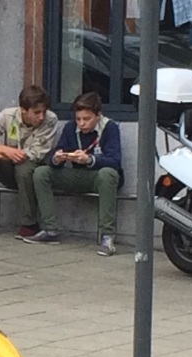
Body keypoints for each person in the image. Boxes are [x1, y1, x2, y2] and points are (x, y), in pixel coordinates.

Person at [25, 92, 124, 256]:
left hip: (98, 177)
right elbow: (58, 151)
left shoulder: (109, 127)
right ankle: (50, 229)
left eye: (87, 119)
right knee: (41, 172)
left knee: (108, 174)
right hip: (76, 174)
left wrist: (90, 159)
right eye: (78, 119)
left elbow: (114, 161)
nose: (82, 123)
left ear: (98, 115)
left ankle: (107, 236)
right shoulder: (71, 127)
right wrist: (57, 158)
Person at [0, 85, 59, 237]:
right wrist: (3, 151)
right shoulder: (7, 115)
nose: (41, 117)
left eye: (43, 112)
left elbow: (34, 154)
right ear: (23, 109)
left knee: (23, 168)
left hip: (33, 171)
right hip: (9, 167)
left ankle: (29, 223)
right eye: (36, 112)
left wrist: (0, 155)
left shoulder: (50, 120)